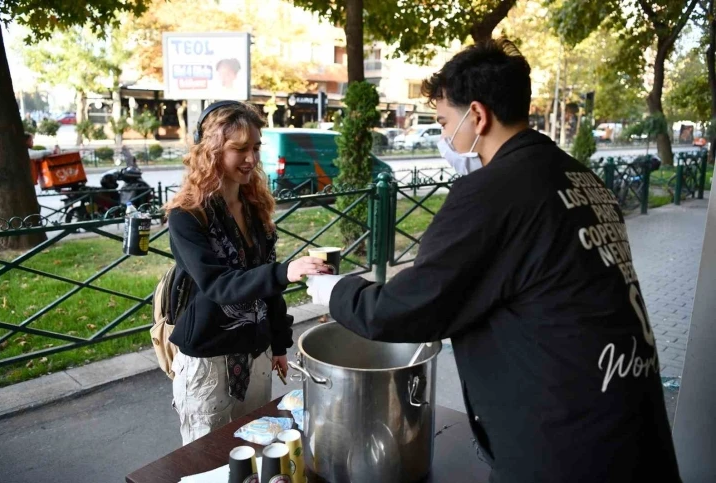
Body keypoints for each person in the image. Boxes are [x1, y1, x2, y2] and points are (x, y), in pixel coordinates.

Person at [306, 39, 681, 482]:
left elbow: (405, 311)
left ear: (478, 116)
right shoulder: (580, 177)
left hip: (565, 448)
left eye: (445, 121)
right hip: (630, 428)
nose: (445, 136)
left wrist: (338, 292)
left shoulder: (494, 190)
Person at [164, 101, 330, 445]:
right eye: (240, 149)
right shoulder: (187, 215)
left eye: (255, 147)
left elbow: (267, 287)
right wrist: (285, 271)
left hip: (258, 356)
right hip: (209, 364)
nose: (252, 159)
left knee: (257, 455)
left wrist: (280, 343)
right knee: (207, 463)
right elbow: (218, 285)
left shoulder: (254, 208)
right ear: (210, 150)